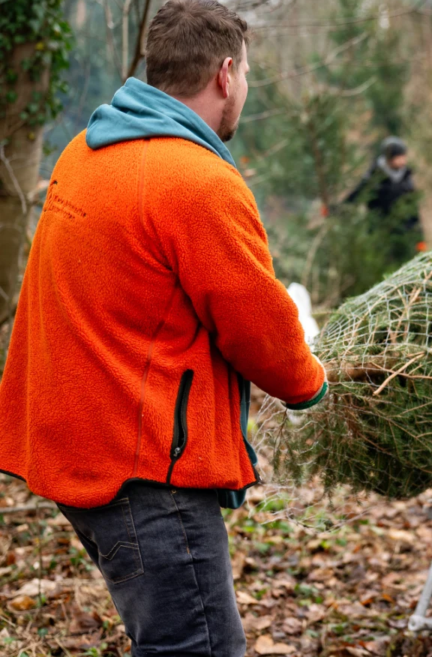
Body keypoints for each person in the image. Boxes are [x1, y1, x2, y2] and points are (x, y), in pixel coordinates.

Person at [0, 1, 327, 654]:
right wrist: (311, 384)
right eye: (248, 77)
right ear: (226, 75)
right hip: (147, 472)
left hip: (75, 453)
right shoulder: (197, 182)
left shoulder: (87, 151)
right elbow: (260, 329)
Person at [345, 136, 424, 266]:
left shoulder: (406, 177)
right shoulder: (374, 178)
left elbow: (413, 209)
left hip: (405, 234)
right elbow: (356, 197)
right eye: (400, 157)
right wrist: (334, 210)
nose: (403, 160)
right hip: (381, 235)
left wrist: (419, 238)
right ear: (390, 157)